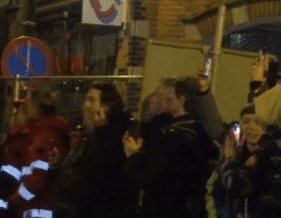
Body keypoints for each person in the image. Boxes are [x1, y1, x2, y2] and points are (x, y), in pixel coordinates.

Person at [123, 77, 217, 218]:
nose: (166, 100)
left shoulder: (176, 136)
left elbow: (154, 180)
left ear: (181, 101)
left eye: (170, 97)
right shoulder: (197, 130)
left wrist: (133, 156)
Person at [0, 89, 70, 218]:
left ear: (37, 108)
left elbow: (37, 177)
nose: (25, 109)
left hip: (37, 209)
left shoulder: (45, 135)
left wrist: (13, 202)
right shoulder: (44, 133)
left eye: (28, 105)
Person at [56, 82, 134, 218]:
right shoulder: (91, 135)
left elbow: (104, 178)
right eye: (85, 99)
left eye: (92, 100)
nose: (85, 105)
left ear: (107, 107)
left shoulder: (116, 138)